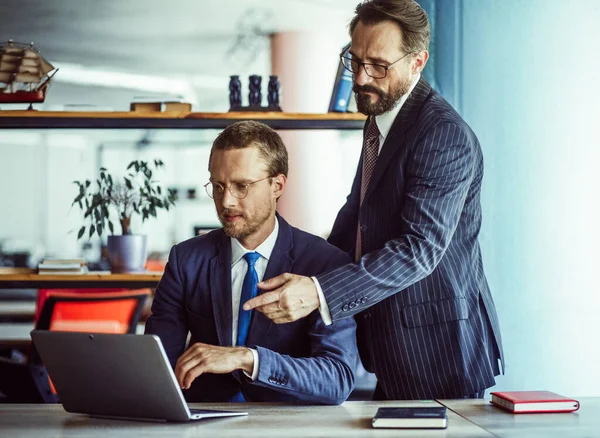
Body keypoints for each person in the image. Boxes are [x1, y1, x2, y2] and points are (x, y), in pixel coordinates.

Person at [244, 0, 504, 400]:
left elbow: (419, 250)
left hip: (439, 349)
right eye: (356, 59)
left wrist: (318, 292)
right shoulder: (380, 116)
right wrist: (290, 266)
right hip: (391, 343)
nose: (362, 77)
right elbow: (356, 215)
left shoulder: (442, 135)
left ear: (418, 62)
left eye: (379, 65)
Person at [145, 121, 357, 405]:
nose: (226, 201)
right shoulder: (186, 259)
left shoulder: (325, 262)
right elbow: (158, 366)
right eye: (218, 186)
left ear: (277, 186)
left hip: (287, 422)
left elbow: (336, 378)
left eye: (241, 186)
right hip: (203, 422)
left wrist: (249, 359)